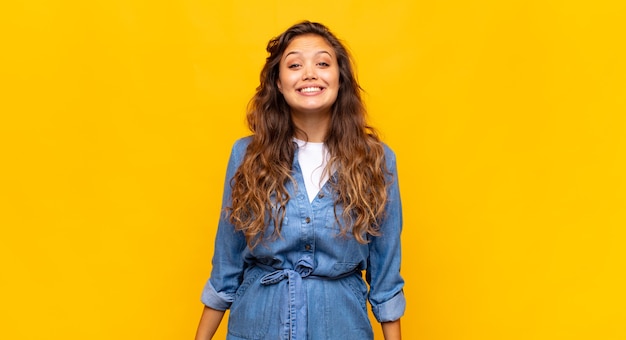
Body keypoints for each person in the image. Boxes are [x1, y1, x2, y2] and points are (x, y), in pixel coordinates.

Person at [195, 21, 405, 340]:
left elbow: (386, 275)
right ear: (279, 83)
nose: (309, 73)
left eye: (322, 63)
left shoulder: (377, 160)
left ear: (339, 78)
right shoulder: (247, 155)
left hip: (341, 327)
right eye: (294, 65)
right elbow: (227, 263)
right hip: (256, 326)